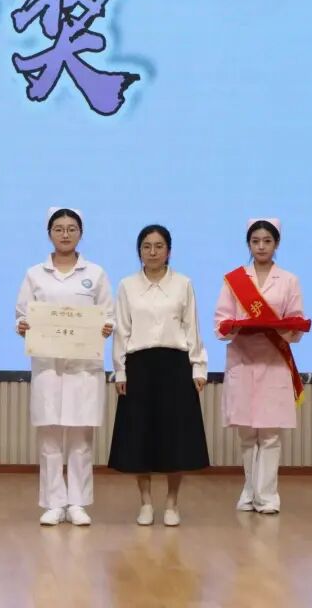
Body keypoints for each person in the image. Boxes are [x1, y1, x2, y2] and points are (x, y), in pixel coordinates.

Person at [15, 207, 114, 527]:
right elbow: (22, 314)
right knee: (50, 437)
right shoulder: (35, 274)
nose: (65, 234)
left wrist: (106, 327)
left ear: (81, 233)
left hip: (83, 367)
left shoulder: (95, 274)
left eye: (72, 228)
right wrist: (23, 325)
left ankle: (78, 503)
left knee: (81, 438)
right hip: (48, 366)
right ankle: (54, 503)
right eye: (59, 228)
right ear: (49, 234)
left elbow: (108, 314)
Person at [107, 224, 210, 527]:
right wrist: (120, 371)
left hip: (175, 365)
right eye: (146, 246)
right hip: (138, 366)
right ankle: (146, 503)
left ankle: (172, 504)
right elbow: (122, 331)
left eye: (159, 246)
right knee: (140, 435)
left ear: (169, 251)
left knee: (175, 436)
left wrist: (199, 367)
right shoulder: (127, 285)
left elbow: (192, 327)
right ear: (139, 251)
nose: (152, 252)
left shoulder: (183, 284)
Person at [214, 218, 307, 514]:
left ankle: (267, 496)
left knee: (269, 434)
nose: (261, 246)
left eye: (267, 241)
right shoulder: (234, 280)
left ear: (276, 243)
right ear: (248, 244)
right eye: (255, 241)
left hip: (274, 361)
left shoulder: (289, 280)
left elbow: (296, 321)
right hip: (242, 360)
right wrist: (234, 327)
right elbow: (221, 322)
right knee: (246, 433)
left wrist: (283, 328)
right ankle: (249, 491)